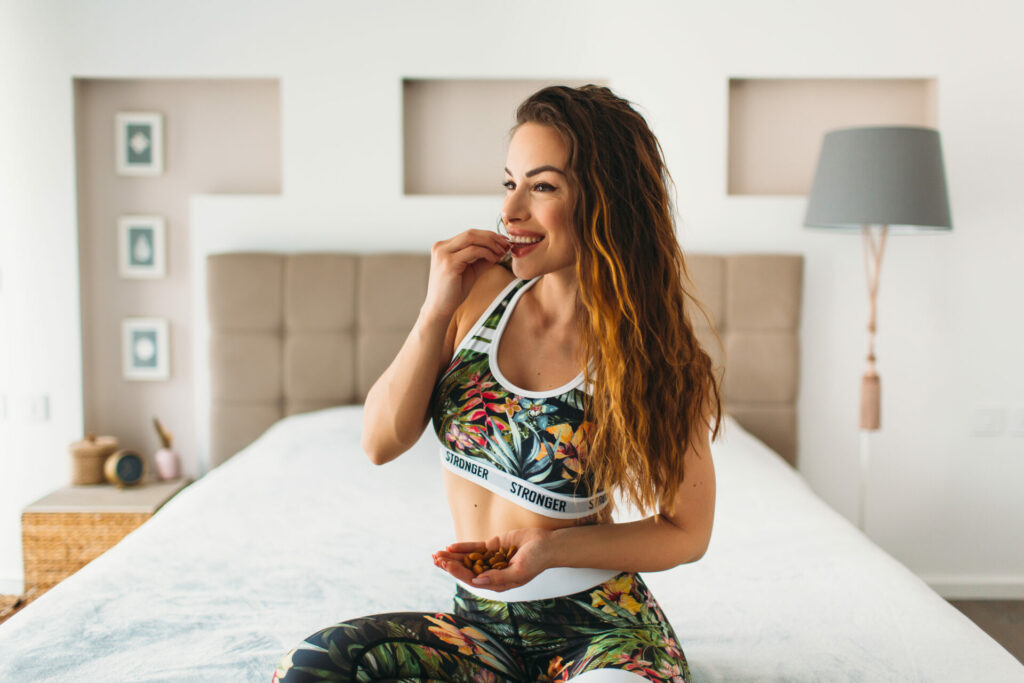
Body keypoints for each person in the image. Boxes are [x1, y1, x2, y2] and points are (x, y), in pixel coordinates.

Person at [273, 84, 722, 683]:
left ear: (604, 201)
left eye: (542, 186)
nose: (511, 212)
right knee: (314, 668)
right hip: (478, 627)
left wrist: (553, 550)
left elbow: (687, 532)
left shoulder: (655, 355)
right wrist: (436, 309)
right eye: (509, 184)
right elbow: (380, 441)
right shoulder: (476, 298)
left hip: (598, 628)